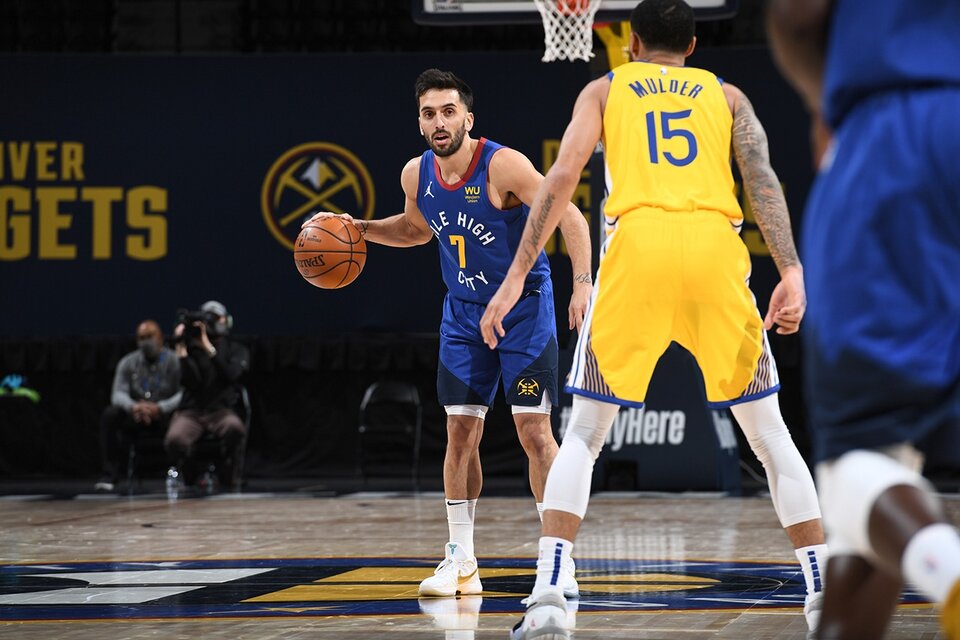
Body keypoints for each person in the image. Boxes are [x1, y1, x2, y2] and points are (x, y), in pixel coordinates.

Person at [478, 1, 829, 637]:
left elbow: (561, 178)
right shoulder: (727, 96)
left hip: (636, 248)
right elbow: (762, 180)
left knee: (583, 435)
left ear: (631, 42)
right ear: (693, 45)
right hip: (713, 250)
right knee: (772, 438)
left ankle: (552, 592)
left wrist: (510, 283)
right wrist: (793, 271)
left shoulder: (605, 87)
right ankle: (822, 592)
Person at [304, 68, 592, 598]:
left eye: (449, 111)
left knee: (534, 433)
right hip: (462, 316)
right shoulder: (416, 175)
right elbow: (417, 230)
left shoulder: (502, 165)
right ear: (419, 122)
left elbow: (570, 217)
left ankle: (558, 558)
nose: (440, 122)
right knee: (460, 433)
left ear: (468, 117)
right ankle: (461, 559)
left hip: (524, 312)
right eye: (429, 113)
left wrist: (581, 284)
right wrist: (359, 230)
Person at [768, 2, 960, 638]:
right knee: (867, 517)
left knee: (860, 458)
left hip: (906, 131)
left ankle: (950, 568)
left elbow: (797, 16)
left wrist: (828, 99)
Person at [165, 300, 250, 492]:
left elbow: (230, 376)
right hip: (192, 411)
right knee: (175, 439)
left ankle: (226, 472)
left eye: (217, 318)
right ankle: (191, 474)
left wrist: (207, 346)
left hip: (220, 410)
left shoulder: (236, 349)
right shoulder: (191, 350)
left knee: (235, 428)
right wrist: (182, 350)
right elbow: (191, 381)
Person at [95, 319, 182, 493]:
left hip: (165, 415)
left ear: (160, 337)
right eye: (142, 337)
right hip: (137, 415)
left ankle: (181, 472)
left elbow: (183, 394)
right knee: (110, 414)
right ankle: (110, 474)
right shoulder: (128, 362)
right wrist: (134, 407)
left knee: (186, 416)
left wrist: (160, 408)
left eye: (150, 336)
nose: (146, 342)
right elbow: (117, 393)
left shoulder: (174, 361)